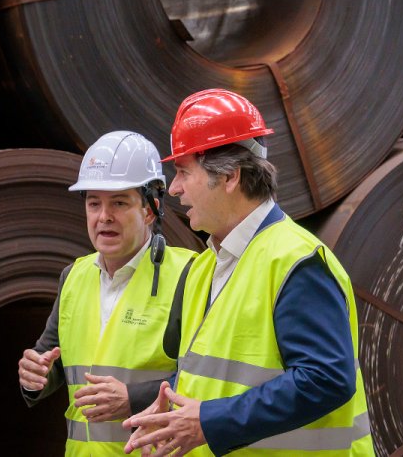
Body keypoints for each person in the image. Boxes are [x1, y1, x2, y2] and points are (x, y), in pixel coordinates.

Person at [123, 89, 374, 456]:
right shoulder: (205, 266)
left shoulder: (295, 260)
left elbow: (327, 379)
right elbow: (216, 375)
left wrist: (210, 422)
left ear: (230, 178)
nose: (173, 189)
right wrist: (172, 410)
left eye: (183, 172)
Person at [18, 131, 196, 455]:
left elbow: (211, 383)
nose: (104, 217)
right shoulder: (73, 277)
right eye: (94, 203)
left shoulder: (189, 276)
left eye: (119, 202)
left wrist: (134, 398)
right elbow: (52, 363)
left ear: (150, 209)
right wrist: (34, 376)